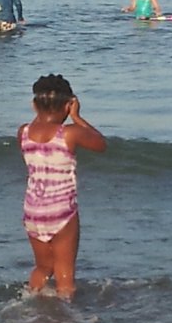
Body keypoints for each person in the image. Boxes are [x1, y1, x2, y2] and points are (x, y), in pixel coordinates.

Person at [18, 74, 106, 300]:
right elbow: (100, 143)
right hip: (61, 211)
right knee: (65, 274)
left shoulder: (23, 132)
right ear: (68, 104)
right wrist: (76, 117)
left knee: (43, 267)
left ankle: (29, 302)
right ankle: (65, 315)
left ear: (34, 105)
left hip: (33, 210)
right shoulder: (69, 133)